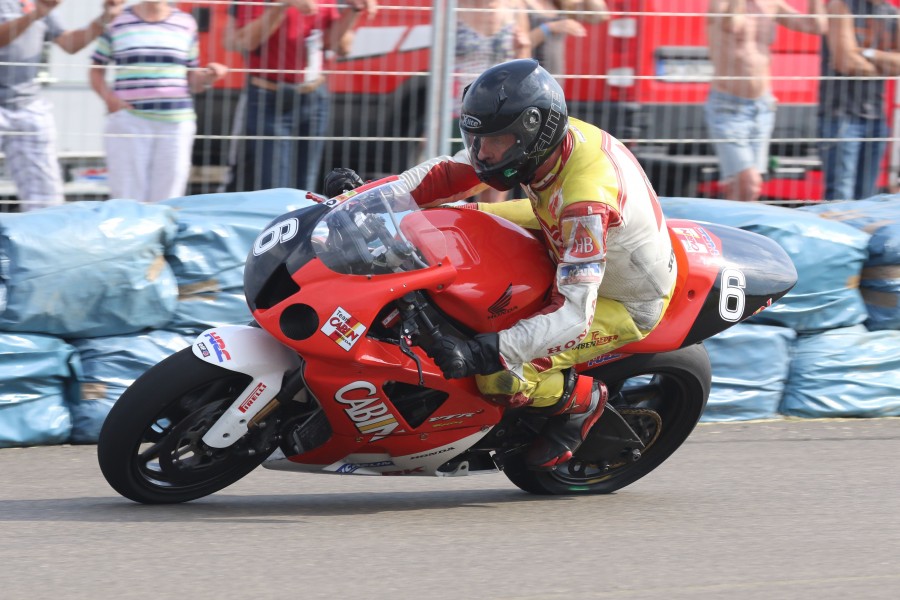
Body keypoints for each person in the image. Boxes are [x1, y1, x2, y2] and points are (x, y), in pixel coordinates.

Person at [332, 59, 676, 471]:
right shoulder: (546, 140)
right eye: (476, 138)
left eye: (495, 141)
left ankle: (584, 404)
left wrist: (489, 350)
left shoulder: (585, 203)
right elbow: (446, 173)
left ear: (533, 136)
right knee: (454, 219)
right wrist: (362, 199)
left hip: (618, 299)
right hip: (554, 224)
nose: (483, 152)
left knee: (496, 376)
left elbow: (573, 315)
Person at [222, 0, 375, 194]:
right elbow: (244, 41)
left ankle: (300, 224)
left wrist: (354, 10)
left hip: (314, 96)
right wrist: (283, 5)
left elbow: (338, 45)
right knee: (275, 188)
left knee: (306, 189)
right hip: (270, 96)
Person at [89, 1, 228, 203]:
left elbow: (192, 79)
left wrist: (208, 77)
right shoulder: (118, 21)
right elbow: (96, 69)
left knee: (169, 200)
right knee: (126, 199)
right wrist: (111, 101)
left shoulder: (186, 22)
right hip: (130, 122)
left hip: (176, 124)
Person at [0, 0, 124, 211]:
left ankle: (42, 241)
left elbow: (70, 44)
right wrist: (35, 15)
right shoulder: (33, 9)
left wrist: (105, 19)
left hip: (28, 106)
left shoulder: (34, 5)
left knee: (46, 199)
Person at [704, 0, 826, 202]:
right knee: (749, 182)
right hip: (727, 107)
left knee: (744, 188)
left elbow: (816, 26)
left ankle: (734, 231)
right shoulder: (722, 3)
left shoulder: (772, 4)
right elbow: (731, 25)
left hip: (762, 107)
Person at [819, 0, 900, 200]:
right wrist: (884, 65)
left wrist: (865, 52)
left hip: (876, 117)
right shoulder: (842, 6)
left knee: (866, 199)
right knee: (840, 196)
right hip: (841, 116)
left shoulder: (891, 12)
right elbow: (846, 62)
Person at [453, 0, 531, 203]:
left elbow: (525, 63)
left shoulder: (515, 7)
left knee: (494, 182)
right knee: (458, 181)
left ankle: (489, 228)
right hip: (460, 107)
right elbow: (439, 60)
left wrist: (522, 48)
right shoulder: (454, 5)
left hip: (500, 109)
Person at [524, 0, 608, 76]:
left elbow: (600, 16)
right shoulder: (522, 3)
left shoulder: (559, 3)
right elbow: (518, 44)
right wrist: (550, 27)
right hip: (531, 75)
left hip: (554, 77)